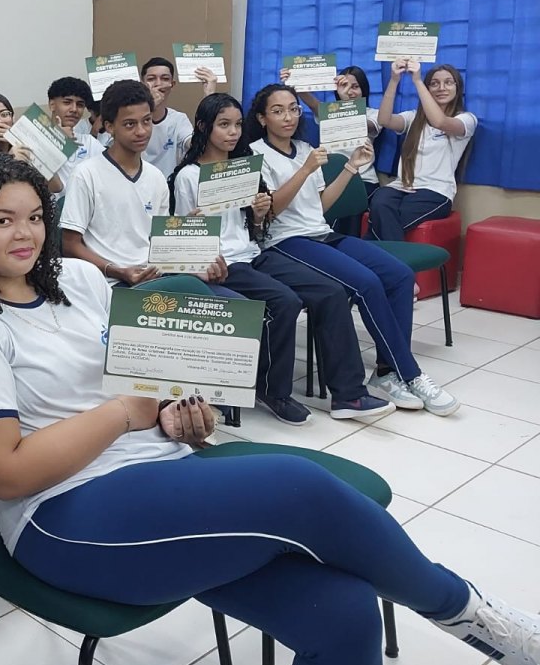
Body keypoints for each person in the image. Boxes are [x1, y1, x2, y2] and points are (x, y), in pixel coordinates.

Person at [0, 153, 540, 665]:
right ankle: (466, 613)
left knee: (346, 615)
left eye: (34, 217)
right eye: (2, 220)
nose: (25, 233)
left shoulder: (80, 283)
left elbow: (141, 385)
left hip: (156, 474)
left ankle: (467, 616)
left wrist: (172, 416)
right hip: (62, 516)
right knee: (298, 487)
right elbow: (6, 473)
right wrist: (123, 415)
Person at [172, 95, 390, 422]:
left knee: (331, 292)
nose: (233, 132)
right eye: (223, 125)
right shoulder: (188, 176)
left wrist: (260, 215)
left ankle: (349, 395)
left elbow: (254, 229)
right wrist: (194, 229)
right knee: (284, 301)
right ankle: (273, 391)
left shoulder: (242, 167)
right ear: (204, 127)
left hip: (254, 253)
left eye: (237, 125)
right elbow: (181, 238)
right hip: (224, 264)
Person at [246, 84, 458, 416]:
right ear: (262, 118)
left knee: (400, 275)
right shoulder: (254, 154)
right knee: (366, 283)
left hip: (321, 233)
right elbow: (270, 212)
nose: (288, 116)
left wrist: (351, 167)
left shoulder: (305, 148)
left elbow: (319, 206)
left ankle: (386, 372)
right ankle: (410, 373)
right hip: (286, 241)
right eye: (278, 111)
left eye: (293, 109)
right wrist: (305, 170)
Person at [60, 81, 228, 292]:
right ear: (109, 127)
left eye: (147, 121)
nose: (141, 131)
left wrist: (194, 260)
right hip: (112, 284)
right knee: (194, 290)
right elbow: (70, 245)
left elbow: (157, 242)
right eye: (130, 124)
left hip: (156, 276)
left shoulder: (156, 176)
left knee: (233, 303)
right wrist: (117, 271)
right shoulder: (86, 174)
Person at [370, 60, 476, 242]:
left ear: (458, 88)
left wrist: (418, 81)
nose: (441, 88)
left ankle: (373, 248)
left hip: (435, 191)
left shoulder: (466, 119)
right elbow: (384, 120)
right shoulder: (413, 118)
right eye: (434, 83)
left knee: (393, 217)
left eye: (448, 82)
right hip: (401, 186)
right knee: (379, 200)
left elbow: (440, 122)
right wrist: (394, 80)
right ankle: (388, 254)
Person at [286, 65, 382, 236]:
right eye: (345, 86)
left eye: (355, 86)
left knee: (346, 206)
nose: (350, 91)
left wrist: (345, 100)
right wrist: (294, 80)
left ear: (364, 89)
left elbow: (362, 125)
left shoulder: (373, 114)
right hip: (329, 179)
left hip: (362, 180)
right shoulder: (329, 112)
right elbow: (313, 104)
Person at [140, 55, 219, 178]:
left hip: (168, 184)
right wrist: (149, 108)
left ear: (172, 84)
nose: (158, 83)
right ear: (143, 84)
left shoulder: (178, 119)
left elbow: (196, 145)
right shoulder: (131, 119)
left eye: (165, 78)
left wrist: (209, 95)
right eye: (151, 79)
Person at [46, 76, 104, 192]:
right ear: (52, 105)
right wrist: (59, 138)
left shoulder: (89, 142)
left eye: (80, 105)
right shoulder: (35, 138)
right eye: (67, 102)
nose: (74, 109)